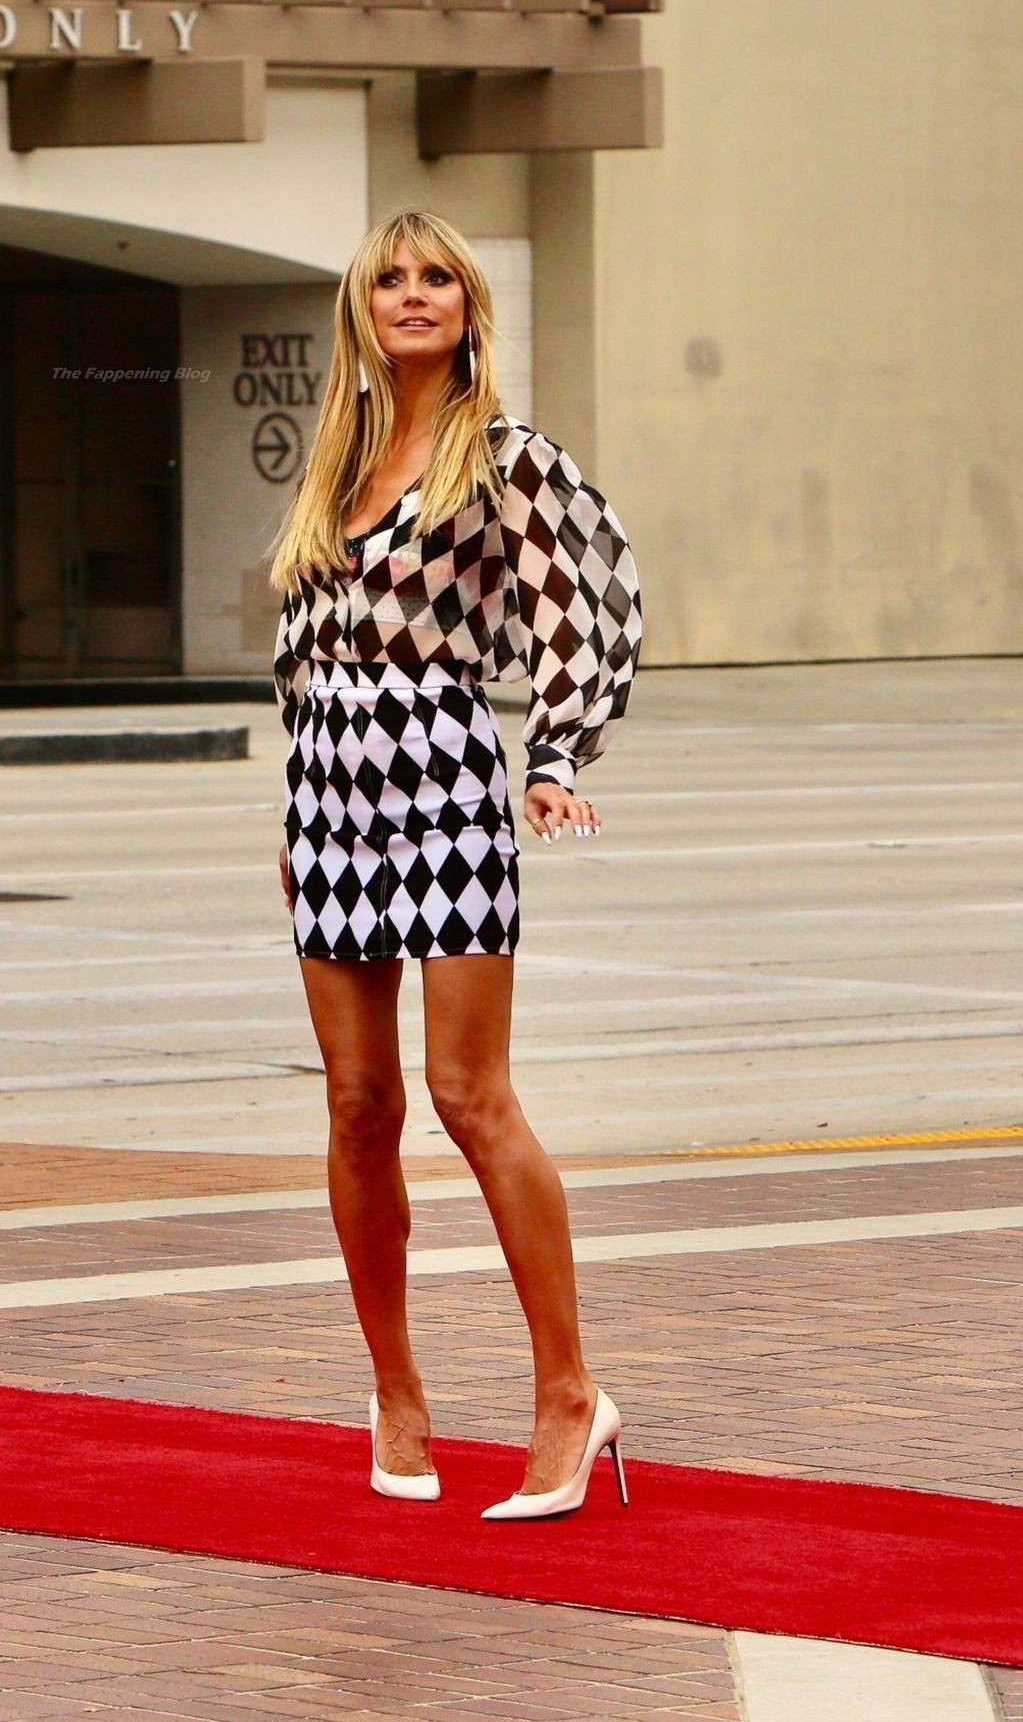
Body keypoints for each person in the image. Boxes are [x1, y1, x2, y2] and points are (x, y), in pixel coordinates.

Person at [266, 208, 643, 1520]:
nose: (412, 295)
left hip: (439, 769)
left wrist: (555, 755)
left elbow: (592, 598)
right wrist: (294, 808)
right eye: (390, 279)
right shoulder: (335, 460)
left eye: (436, 278)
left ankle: (569, 1396)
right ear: (361, 309)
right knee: (355, 1103)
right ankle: (396, 1392)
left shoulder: (507, 457)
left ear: (470, 305)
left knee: (467, 1094)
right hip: (328, 784)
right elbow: (300, 645)